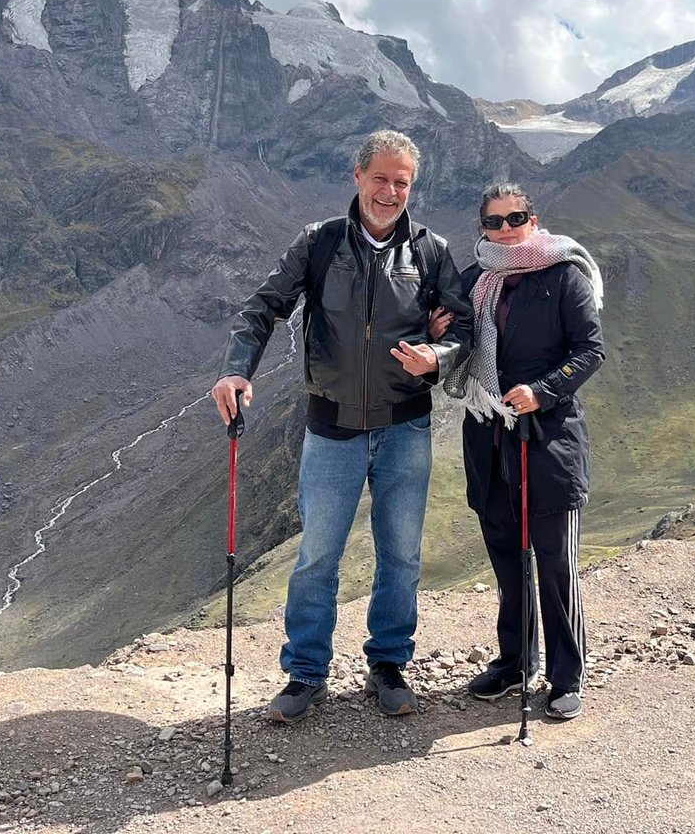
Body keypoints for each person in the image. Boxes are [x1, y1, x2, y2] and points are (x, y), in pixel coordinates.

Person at [211, 129, 472, 724]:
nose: (390, 192)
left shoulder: (430, 251)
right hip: (332, 429)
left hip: (405, 426)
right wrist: (235, 371)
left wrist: (438, 356)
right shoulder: (320, 242)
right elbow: (262, 309)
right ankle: (306, 673)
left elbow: (462, 326)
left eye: (402, 182)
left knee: (400, 554)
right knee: (317, 556)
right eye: (380, 178)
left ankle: (389, 665)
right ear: (357, 177)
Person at [437, 182, 604, 721]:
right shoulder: (474, 280)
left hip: (547, 439)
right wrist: (437, 331)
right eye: (494, 221)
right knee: (508, 562)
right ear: (482, 228)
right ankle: (515, 662)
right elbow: (461, 341)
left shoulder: (565, 274)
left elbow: (590, 350)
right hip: (489, 438)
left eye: (515, 218)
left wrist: (542, 391)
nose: (506, 229)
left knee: (555, 565)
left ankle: (566, 675)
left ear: (533, 219)